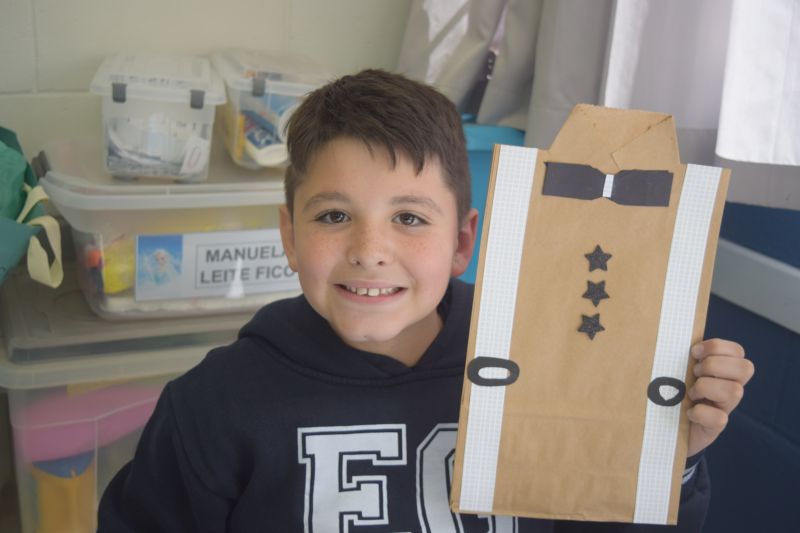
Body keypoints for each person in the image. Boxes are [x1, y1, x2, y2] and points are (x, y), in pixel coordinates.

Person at [97, 69, 754, 532]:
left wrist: (669, 455)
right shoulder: (212, 406)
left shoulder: (546, 361)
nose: (369, 250)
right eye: (333, 216)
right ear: (289, 236)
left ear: (463, 241)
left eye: (409, 218)